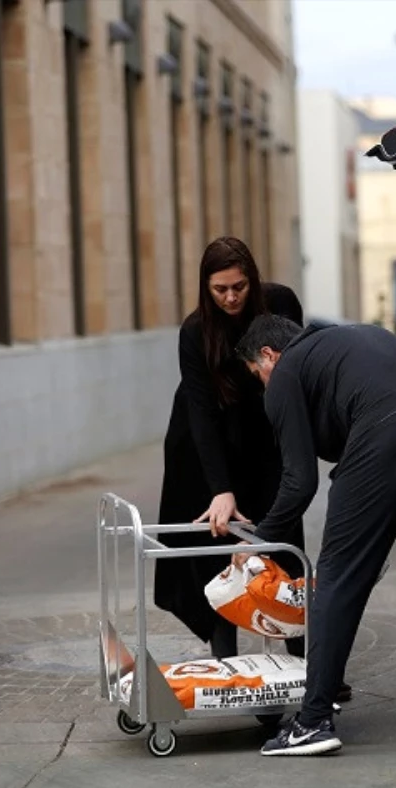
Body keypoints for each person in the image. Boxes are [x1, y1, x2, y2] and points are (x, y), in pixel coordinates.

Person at [234, 315, 396, 757]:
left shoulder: (287, 371)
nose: (264, 387)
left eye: (258, 375)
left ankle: (312, 722)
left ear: (269, 356)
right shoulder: (353, 336)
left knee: (336, 579)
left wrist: (259, 540)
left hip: (381, 433)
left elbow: (299, 481)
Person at [153, 236, 307, 661]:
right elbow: (200, 413)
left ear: (251, 280)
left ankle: (311, 663)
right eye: (219, 289)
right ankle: (226, 659)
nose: (230, 297)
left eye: (238, 286)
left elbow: (293, 377)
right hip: (206, 441)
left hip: (267, 432)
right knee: (217, 541)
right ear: (206, 287)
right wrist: (220, 487)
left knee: (284, 537)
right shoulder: (195, 330)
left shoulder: (280, 303)